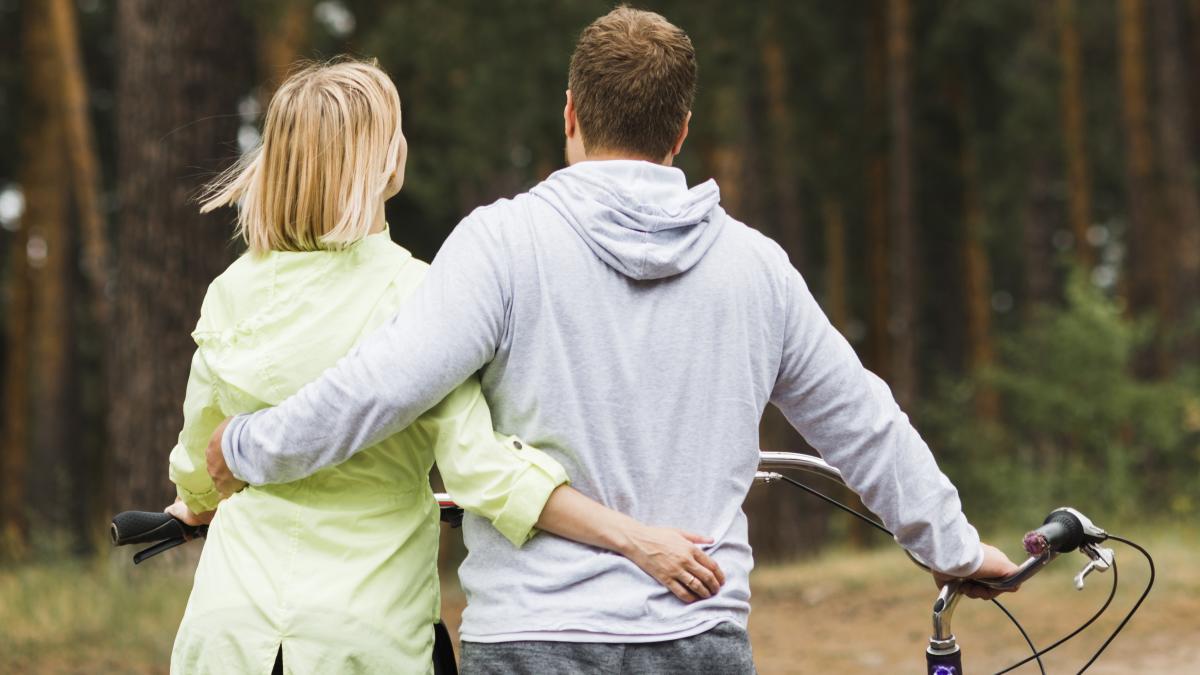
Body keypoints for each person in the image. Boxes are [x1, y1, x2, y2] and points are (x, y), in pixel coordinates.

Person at [207, 9, 1021, 674]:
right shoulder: (756, 268)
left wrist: (247, 446)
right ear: (681, 129)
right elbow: (860, 418)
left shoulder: (502, 244)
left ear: (571, 112)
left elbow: (382, 386)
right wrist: (948, 545)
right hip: (698, 638)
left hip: (532, 639)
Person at [163, 58, 722, 675]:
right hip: (362, 637)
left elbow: (200, 456)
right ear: (385, 161)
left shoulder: (230, 290)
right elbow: (481, 468)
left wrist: (194, 503)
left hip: (228, 634)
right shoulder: (418, 293)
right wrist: (632, 536)